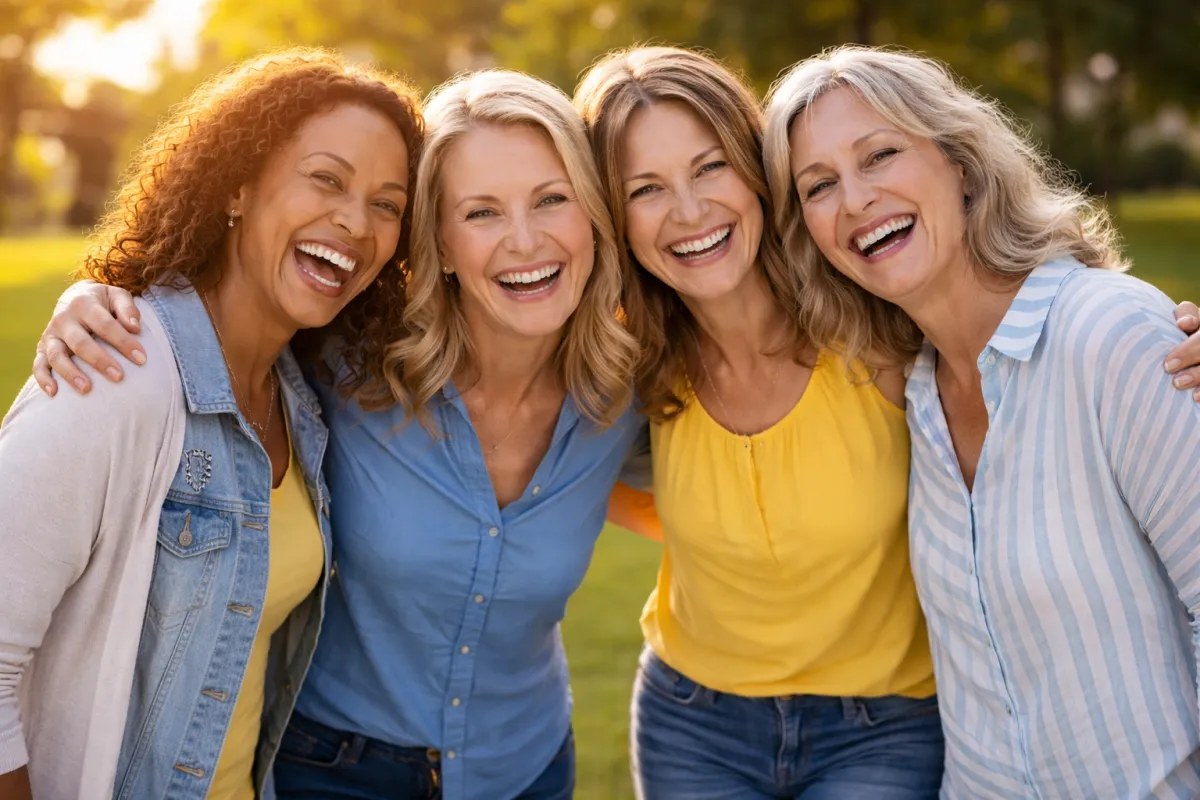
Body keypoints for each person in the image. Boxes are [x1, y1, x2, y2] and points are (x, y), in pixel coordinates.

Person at [28, 68, 642, 800]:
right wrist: (97, 295)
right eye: (480, 213)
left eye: (552, 199)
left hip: (529, 767)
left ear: (593, 216)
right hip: (331, 772)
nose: (524, 239)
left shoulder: (629, 394)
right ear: (438, 243)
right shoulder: (344, 364)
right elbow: (227, 309)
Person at [764, 45, 1200, 799]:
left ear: (960, 163)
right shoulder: (914, 396)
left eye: (881, 154)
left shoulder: (1113, 336)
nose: (857, 199)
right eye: (819, 186)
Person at [0, 49, 421, 800]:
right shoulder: (112, 375)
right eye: (326, 179)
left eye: (387, 204)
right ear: (238, 186)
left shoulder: (302, 401)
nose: (356, 221)